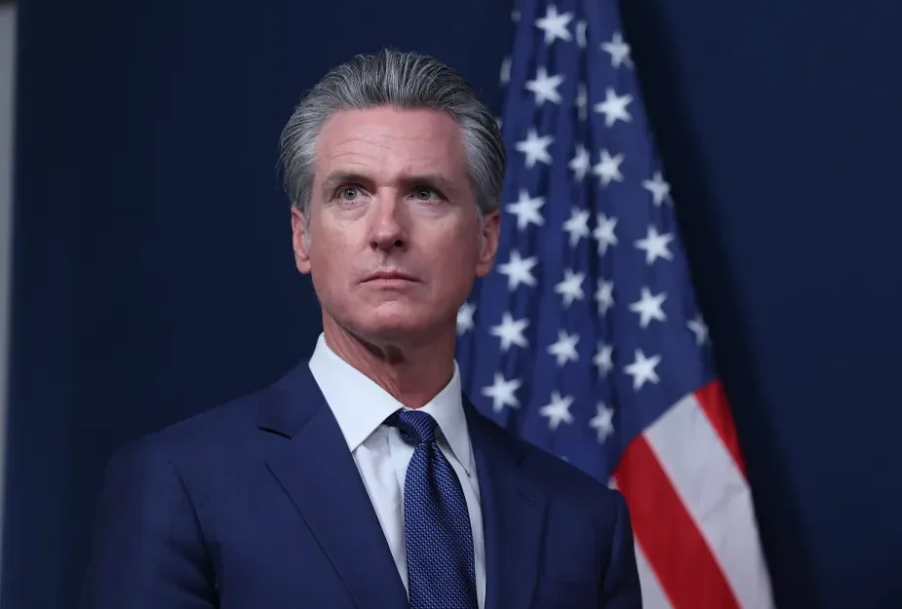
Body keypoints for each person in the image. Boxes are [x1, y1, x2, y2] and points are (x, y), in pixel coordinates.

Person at [79, 48, 642, 609]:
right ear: (303, 237)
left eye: (424, 193)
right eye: (351, 193)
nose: (387, 230)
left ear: (486, 240)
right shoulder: (179, 484)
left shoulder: (584, 522)